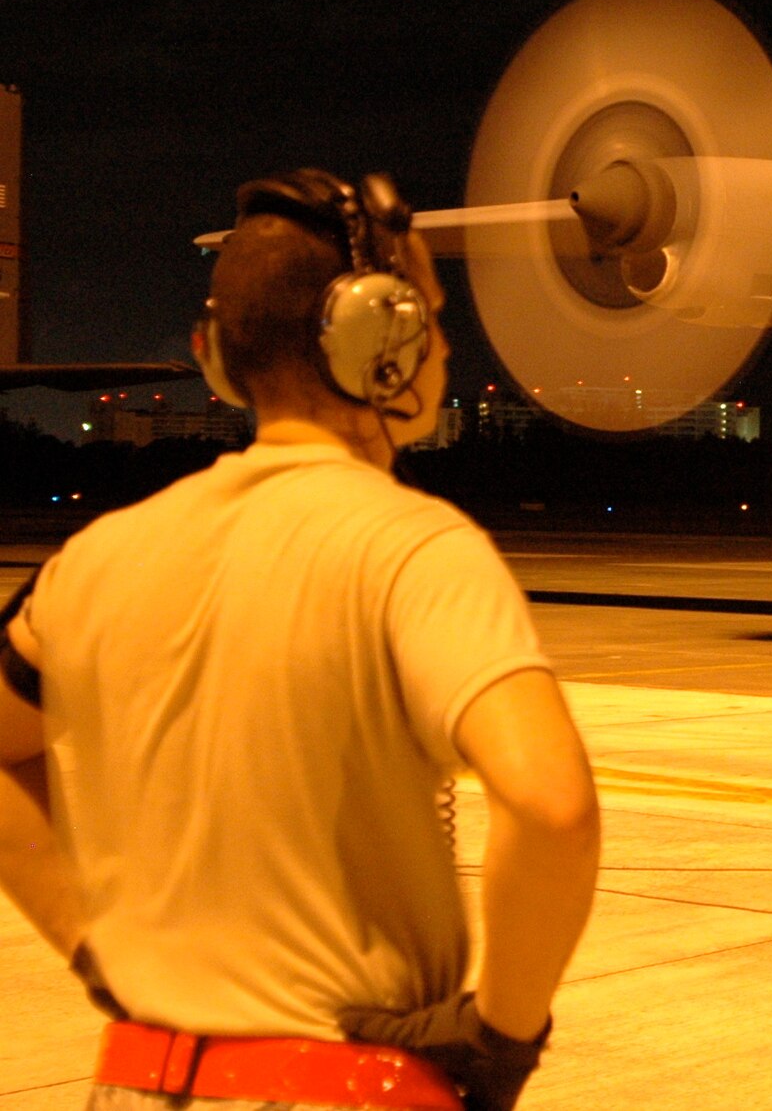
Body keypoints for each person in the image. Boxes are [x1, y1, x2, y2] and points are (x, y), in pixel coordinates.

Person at [0, 169, 600, 1111]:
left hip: (134, 1078)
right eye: (432, 320)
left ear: (215, 358)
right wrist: (502, 1041)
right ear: (384, 337)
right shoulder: (415, 549)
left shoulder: (92, 560)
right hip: (343, 1086)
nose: (440, 346)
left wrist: (92, 945)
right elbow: (553, 806)